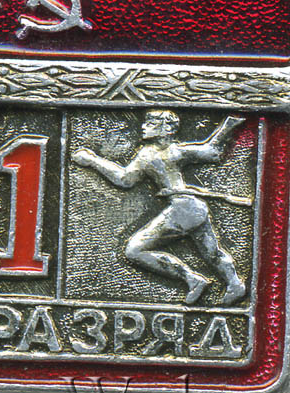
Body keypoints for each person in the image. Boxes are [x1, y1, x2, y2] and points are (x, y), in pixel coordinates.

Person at [72, 110, 246, 306]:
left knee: (135, 250)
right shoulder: (151, 153)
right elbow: (126, 179)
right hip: (192, 208)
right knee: (211, 252)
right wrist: (228, 125)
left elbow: (125, 179)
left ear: (167, 129)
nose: (143, 126)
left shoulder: (169, 152)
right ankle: (234, 284)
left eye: (151, 124)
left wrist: (92, 161)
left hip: (182, 209)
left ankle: (192, 279)